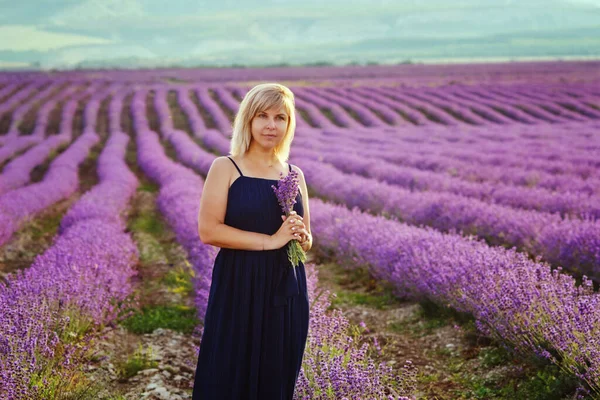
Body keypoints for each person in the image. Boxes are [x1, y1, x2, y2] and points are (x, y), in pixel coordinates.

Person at [192, 83, 311, 399]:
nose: (272, 125)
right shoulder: (226, 167)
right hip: (240, 281)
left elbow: (307, 239)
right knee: (230, 368)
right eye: (262, 116)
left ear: (289, 124)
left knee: (278, 370)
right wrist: (270, 241)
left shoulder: (294, 174)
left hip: (287, 287)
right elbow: (209, 231)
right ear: (248, 120)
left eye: (280, 117)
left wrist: (301, 235)